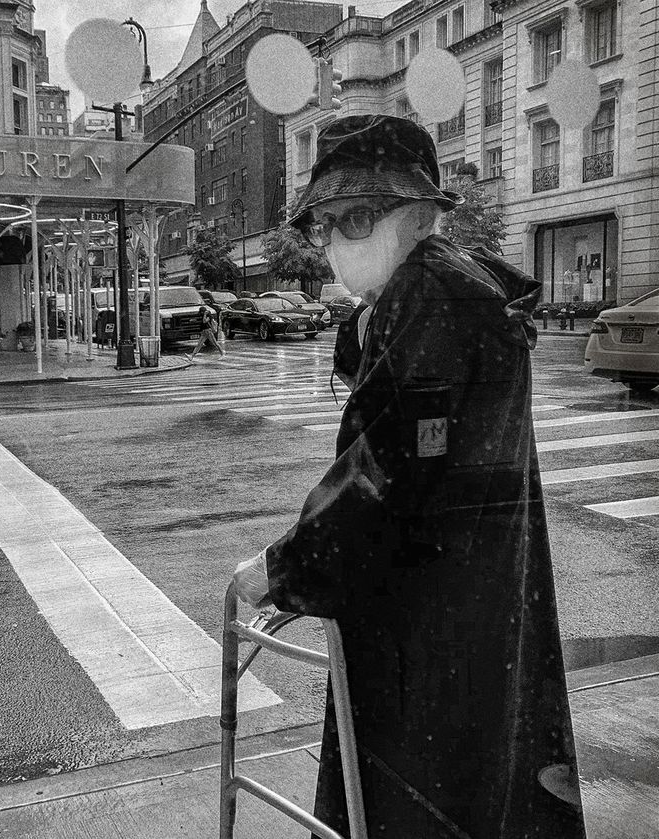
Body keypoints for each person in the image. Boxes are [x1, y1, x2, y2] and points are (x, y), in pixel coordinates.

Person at [233, 114, 586, 839]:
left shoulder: (429, 298)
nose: (333, 242)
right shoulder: (445, 287)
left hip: (428, 628)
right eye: (326, 225)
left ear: (419, 214)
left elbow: (385, 471)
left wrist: (283, 567)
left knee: (415, 801)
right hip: (468, 606)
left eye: (355, 219)